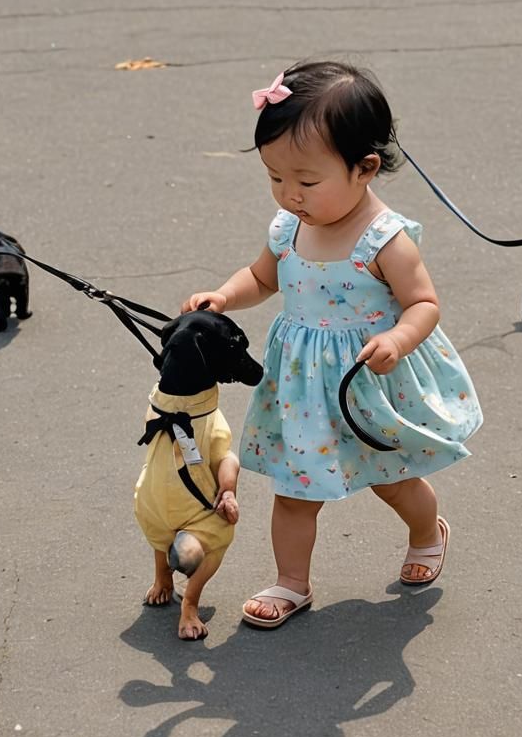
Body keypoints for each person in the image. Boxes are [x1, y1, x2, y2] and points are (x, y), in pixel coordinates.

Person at [181, 60, 482, 629]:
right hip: (300, 388)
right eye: (275, 177)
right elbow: (264, 277)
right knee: (295, 491)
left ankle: (426, 532)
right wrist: (224, 295)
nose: (288, 194)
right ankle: (291, 582)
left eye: (306, 181)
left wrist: (398, 336)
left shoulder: (384, 239)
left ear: (365, 168)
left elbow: (424, 303)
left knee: (393, 481)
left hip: (365, 384)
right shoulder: (287, 227)